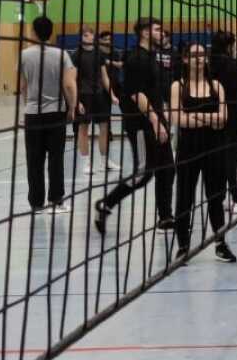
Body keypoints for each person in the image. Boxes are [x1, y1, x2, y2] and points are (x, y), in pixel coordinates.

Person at [94, 18, 176, 234]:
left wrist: (163, 116)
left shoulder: (151, 56)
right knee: (144, 173)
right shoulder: (136, 58)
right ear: (145, 33)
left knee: (167, 168)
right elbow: (136, 94)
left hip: (156, 119)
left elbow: (153, 92)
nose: (162, 33)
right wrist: (156, 121)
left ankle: (165, 217)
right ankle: (106, 204)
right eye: (157, 29)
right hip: (142, 124)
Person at [170, 43, 234, 263]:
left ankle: (220, 244)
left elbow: (223, 118)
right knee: (184, 198)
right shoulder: (178, 86)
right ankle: (183, 246)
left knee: (216, 196)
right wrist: (209, 119)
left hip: (214, 148)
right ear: (185, 59)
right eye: (194, 55)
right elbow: (178, 119)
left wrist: (195, 116)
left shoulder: (216, 85)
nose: (199, 59)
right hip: (188, 149)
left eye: (202, 55)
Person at [19, 16, 77, 214]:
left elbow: (23, 86)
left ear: (34, 32)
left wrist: (28, 106)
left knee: (34, 159)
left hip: (33, 115)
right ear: (51, 33)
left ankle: (36, 204)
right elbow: (69, 84)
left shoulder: (24, 55)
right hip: (56, 114)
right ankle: (56, 201)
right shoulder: (61, 54)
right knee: (56, 158)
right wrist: (72, 107)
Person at [210, 30, 237, 216]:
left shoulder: (208, 65)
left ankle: (223, 197)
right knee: (232, 160)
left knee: (220, 159)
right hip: (233, 118)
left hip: (213, 118)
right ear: (229, 46)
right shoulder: (233, 66)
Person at [71, 27, 117, 174]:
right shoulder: (76, 55)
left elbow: (105, 77)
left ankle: (105, 162)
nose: (89, 37)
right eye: (86, 35)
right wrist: (76, 101)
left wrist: (112, 95)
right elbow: (72, 80)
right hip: (84, 96)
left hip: (100, 95)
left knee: (104, 127)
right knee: (83, 129)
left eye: (91, 35)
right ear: (81, 37)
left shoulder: (99, 54)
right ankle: (87, 163)